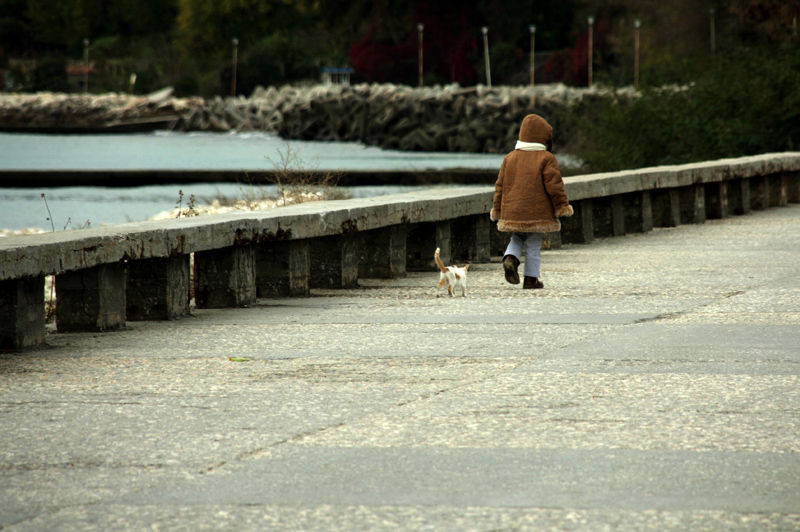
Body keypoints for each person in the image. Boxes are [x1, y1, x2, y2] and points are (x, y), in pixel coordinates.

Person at [490, 113, 573, 289]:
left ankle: (510, 258)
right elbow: (554, 186)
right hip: (537, 211)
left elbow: (500, 186)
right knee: (533, 242)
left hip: (513, 211)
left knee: (517, 236)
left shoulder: (509, 158)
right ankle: (531, 279)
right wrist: (562, 206)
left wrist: (497, 209)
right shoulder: (546, 158)